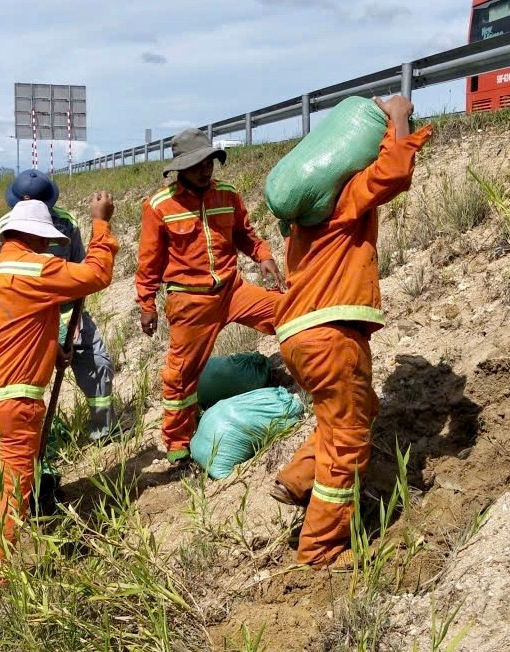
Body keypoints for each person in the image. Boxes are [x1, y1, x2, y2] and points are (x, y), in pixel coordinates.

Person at [270, 96, 432, 568]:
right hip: (332, 336)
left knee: (353, 411)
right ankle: (320, 551)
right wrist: (398, 117)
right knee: (348, 443)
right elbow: (394, 173)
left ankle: (298, 478)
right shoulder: (344, 204)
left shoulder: (301, 221)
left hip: (300, 338)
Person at [0, 193, 118, 604]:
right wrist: (101, 223)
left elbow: (14, 325)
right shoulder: (40, 269)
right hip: (12, 399)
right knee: (11, 490)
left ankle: (29, 502)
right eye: (47, 242)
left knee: (14, 471)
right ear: (38, 238)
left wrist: (53, 351)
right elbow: (98, 274)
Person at [136, 128, 284, 464]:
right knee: (181, 375)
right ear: (180, 169)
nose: (206, 169)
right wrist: (147, 303)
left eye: (209, 162)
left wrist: (263, 256)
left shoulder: (227, 194)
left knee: (289, 313)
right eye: (197, 164)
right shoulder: (159, 206)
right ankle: (178, 442)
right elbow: (149, 262)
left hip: (233, 290)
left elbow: (246, 235)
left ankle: (312, 377)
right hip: (190, 302)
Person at [0, 170, 115, 441]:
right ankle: (38, 440)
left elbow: (83, 272)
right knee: (28, 383)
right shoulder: (1, 230)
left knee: (98, 362)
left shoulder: (66, 224)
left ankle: (104, 431)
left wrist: (74, 321)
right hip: (28, 318)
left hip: (67, 311)